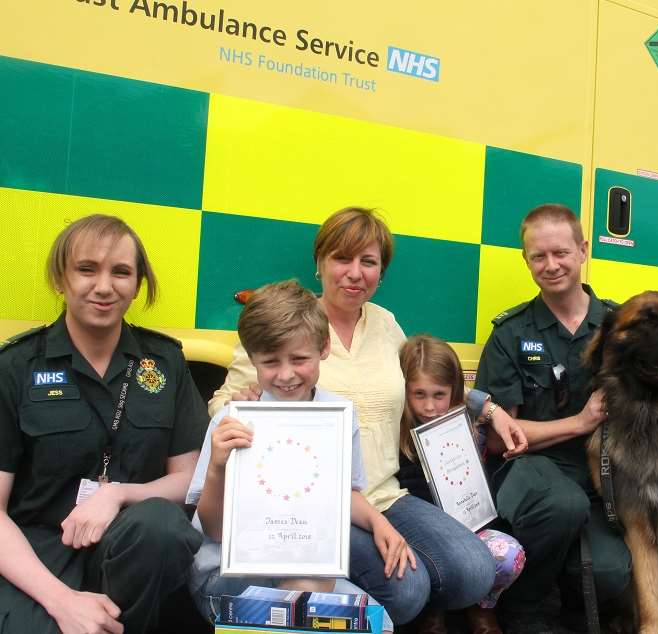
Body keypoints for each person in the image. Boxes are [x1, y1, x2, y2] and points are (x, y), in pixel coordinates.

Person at [209, 207, 497, 629]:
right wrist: (246, 402)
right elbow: (223, 406)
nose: (355, 273)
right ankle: (370, 599)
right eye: (342, 259)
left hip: (384, 494)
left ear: (381, 271)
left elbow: (426, 379)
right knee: (405, 589)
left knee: (475, 570)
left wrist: (487, 407)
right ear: (319, 263)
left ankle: (380, 598)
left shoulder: (385, 324)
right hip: (316, 504)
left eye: (369, 262)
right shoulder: (290, 322)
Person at [0, 214, 208, 634]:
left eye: (121, 272)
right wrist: (61, 601)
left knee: (162, 526)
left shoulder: (164, 363)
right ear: (61, 278)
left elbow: (191, 481)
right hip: (36, 551)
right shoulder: (16, 366)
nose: (104, 286)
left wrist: (118, 495)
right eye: (86, 269)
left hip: (131, 549)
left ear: (137, 286)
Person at [186, 280, 401, 632]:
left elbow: (343, 492)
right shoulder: (235, 418)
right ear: (251, 359)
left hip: (305, 566)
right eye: (270, 362)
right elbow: (214, 529)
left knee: (380, 624)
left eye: (300, 359)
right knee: (304, 601)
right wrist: (216, 469)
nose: (286, 374)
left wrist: (379, 522)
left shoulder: (339, 414)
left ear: (324, 348)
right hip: (230, 574)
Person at [474, 203, 631, 633]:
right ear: (526, 260)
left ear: (582, 251)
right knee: (562, 505)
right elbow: (499, 438)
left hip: (605, 475)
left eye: (561, 253)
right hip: (528, 470)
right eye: (538, 256)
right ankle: (522, 606)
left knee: (609, 574)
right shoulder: (511, 333)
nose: (551, 265)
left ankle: (570, 598)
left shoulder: (622, 324)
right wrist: (580, 423)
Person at [396, 334, 527, 634]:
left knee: (509, 554)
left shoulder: (467, 423)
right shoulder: (397, 431)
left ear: (455, 391)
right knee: (417, 563)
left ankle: (481, 608)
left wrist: (488, 409)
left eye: (439, 395)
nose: (429, 406)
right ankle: (433, 610)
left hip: (467, 525)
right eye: (419, 394)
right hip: (417, 535)